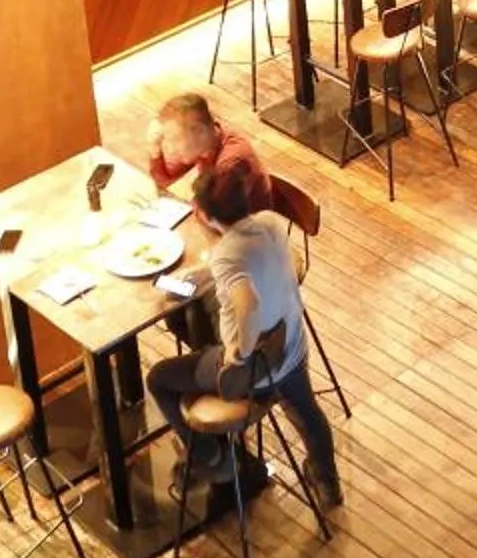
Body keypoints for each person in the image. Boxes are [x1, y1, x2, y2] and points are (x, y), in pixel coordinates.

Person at [148, 160, 343, 510]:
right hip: (292, 346)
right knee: (308, 412)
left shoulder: (227, 255)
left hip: (255, 372)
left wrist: (239, 353)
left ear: (206, 216)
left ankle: (213, 459)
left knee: (159, 379)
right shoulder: (270, 222)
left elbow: (247, 303)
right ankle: (327, 482)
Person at [145, 92, 275, 213]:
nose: (172, 148)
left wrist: (193, 199)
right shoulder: (205, 143)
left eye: (176, 139)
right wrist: (155, 151)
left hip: (247, 227)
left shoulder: (230, 164)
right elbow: (167, 182)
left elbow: (213, 216)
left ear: (199, 131)